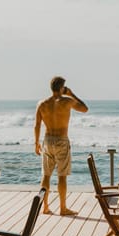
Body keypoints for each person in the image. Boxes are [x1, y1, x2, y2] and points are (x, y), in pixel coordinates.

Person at [34, 76, 88, 215]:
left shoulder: (42, 103)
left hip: (47, 140)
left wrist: (36, 143)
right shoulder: (67, 101)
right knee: (61, 176)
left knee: (46, 176)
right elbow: (84, 109)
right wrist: (71, 94)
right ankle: (63, 208)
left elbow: (37, 125)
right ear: (62, 88)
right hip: (61, 140)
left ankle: (45, 207)